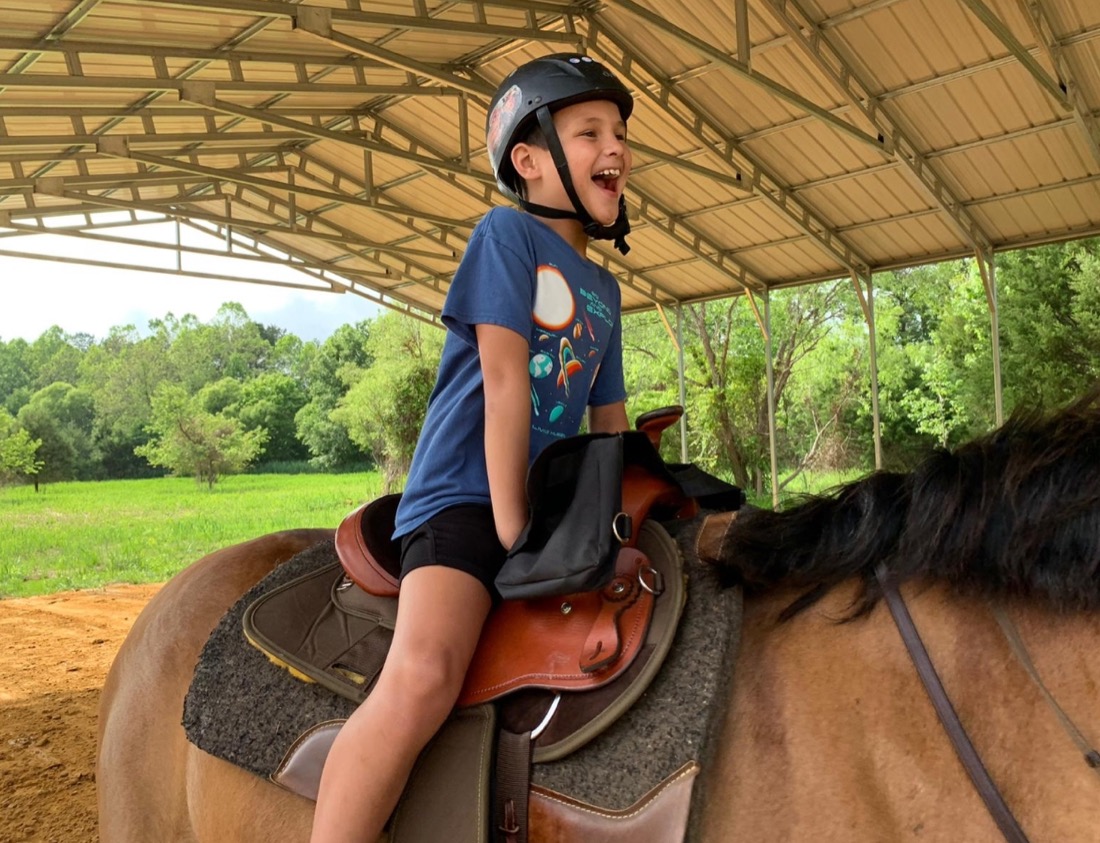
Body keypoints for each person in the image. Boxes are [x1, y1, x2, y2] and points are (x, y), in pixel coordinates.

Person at [309, 52, 634, 842]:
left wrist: (613, 516)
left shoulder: (605, 289)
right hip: (466, 495)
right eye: (589, 131)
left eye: (620, 133)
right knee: (422, 676)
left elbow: (611, 422)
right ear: (528, 160)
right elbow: (503, 378)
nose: (616, 148)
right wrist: (515, 525)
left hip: (546, 508)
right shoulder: (506, 235)